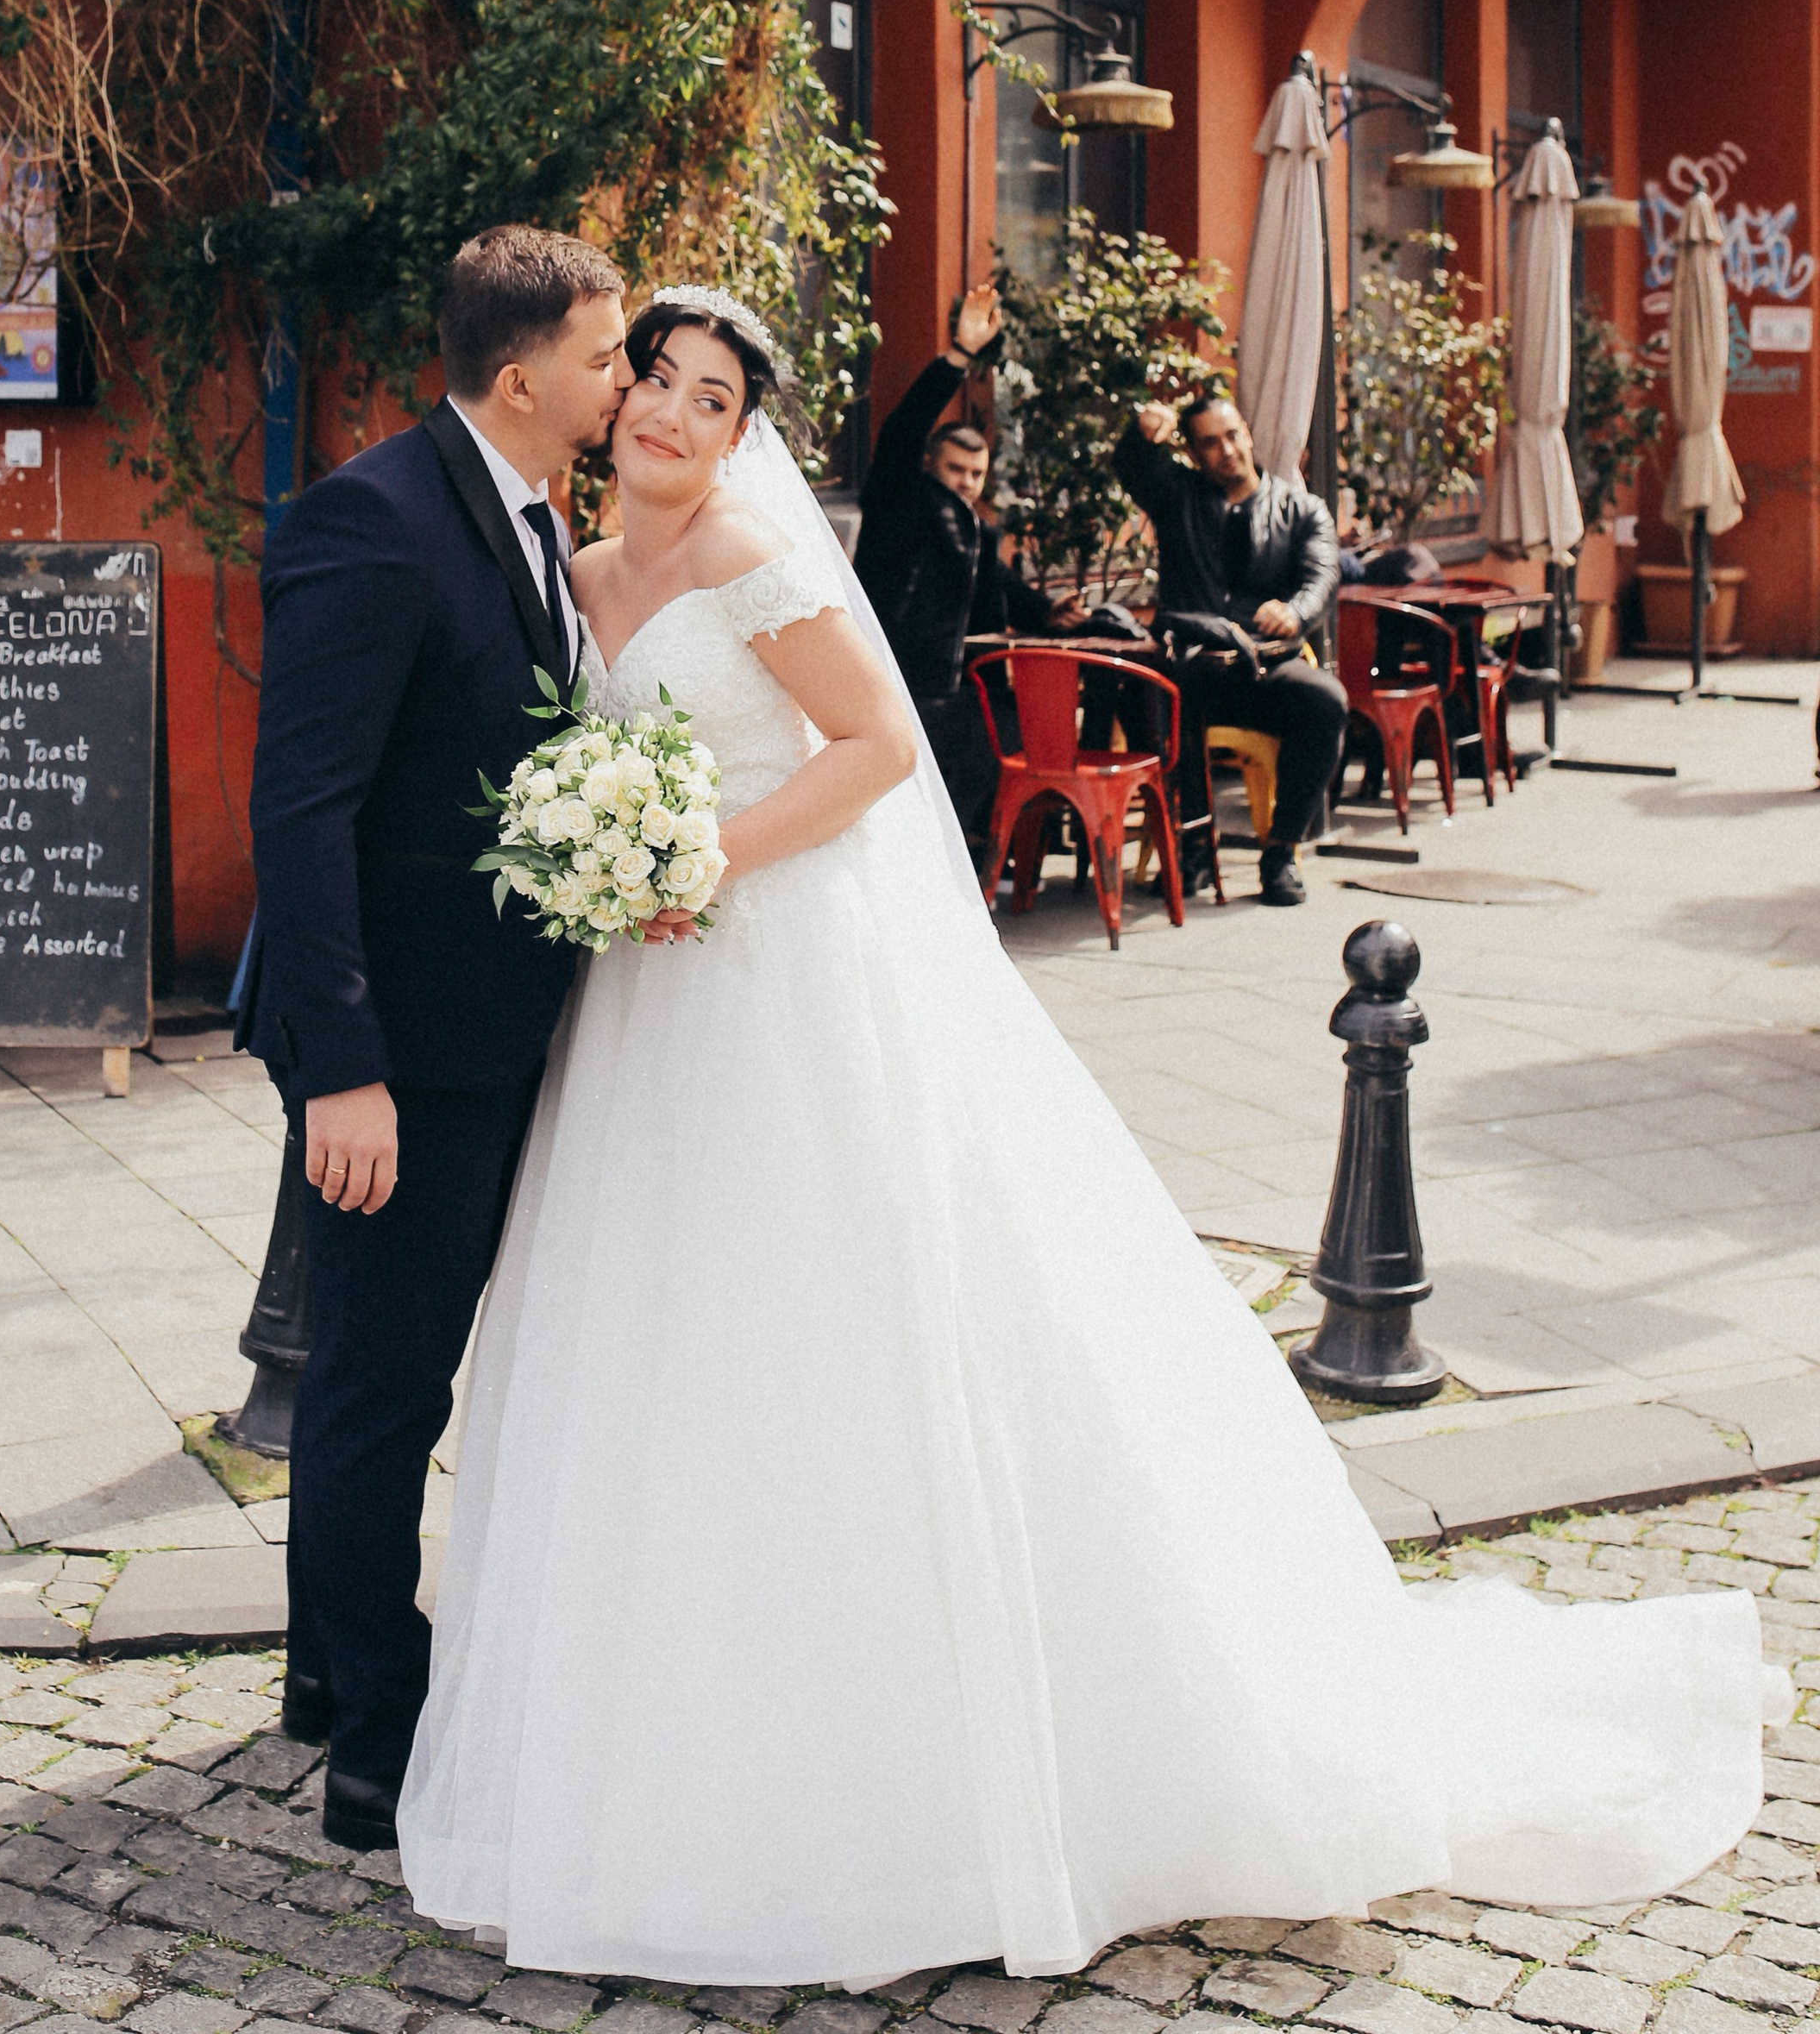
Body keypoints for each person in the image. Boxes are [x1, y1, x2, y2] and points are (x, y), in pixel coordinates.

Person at [397, 284, 1779, 1982]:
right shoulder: (578, 569)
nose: (673, 415)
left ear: (743, 431)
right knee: (661, 1337)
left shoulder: (750, 555)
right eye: (658, 383)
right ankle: (660, 1732)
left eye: (712, 397)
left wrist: (703, 856)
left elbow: (875, 748)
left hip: (773, 971)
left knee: (843, 1317)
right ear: (613, 402)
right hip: (640, 1009)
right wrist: (595, 855)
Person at [239, 223, 630, 1849]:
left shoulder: (536, 518)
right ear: (521, 376)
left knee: (388, 1374)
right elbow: (301, 811)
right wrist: (346, 1070)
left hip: (490, 1033)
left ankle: (324, 1675)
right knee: (382, 1389)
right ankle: (377, 1754)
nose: (624, 380)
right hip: (399, 1053)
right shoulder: (375, 520)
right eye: (606, 356)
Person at [1113, 385, 1346, 907]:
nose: (1228, 450)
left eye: (1233, 435)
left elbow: (1322, 576)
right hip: (1189, 668)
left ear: (1249, 435)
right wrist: (1142, 434)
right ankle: (1192, 848)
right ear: (1193, 452)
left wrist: (1295, 611)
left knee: (1326, 701)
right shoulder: (1178, 497)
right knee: (1150, 696)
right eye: (1211, 443)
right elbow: (1131, 466)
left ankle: (1281, 852)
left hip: (1262, 670)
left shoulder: (1302, 509)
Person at [853, 281, 1067, 837]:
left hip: (950, 690)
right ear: (929, 464)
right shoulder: (899, 495)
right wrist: (960, 355)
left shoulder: (976, 530)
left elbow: (1001, 584)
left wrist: (1050, 611)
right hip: (890, 682)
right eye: (957, 470)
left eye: (977, 474)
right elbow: (904, 427)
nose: (968, 483)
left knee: (1009, 736)